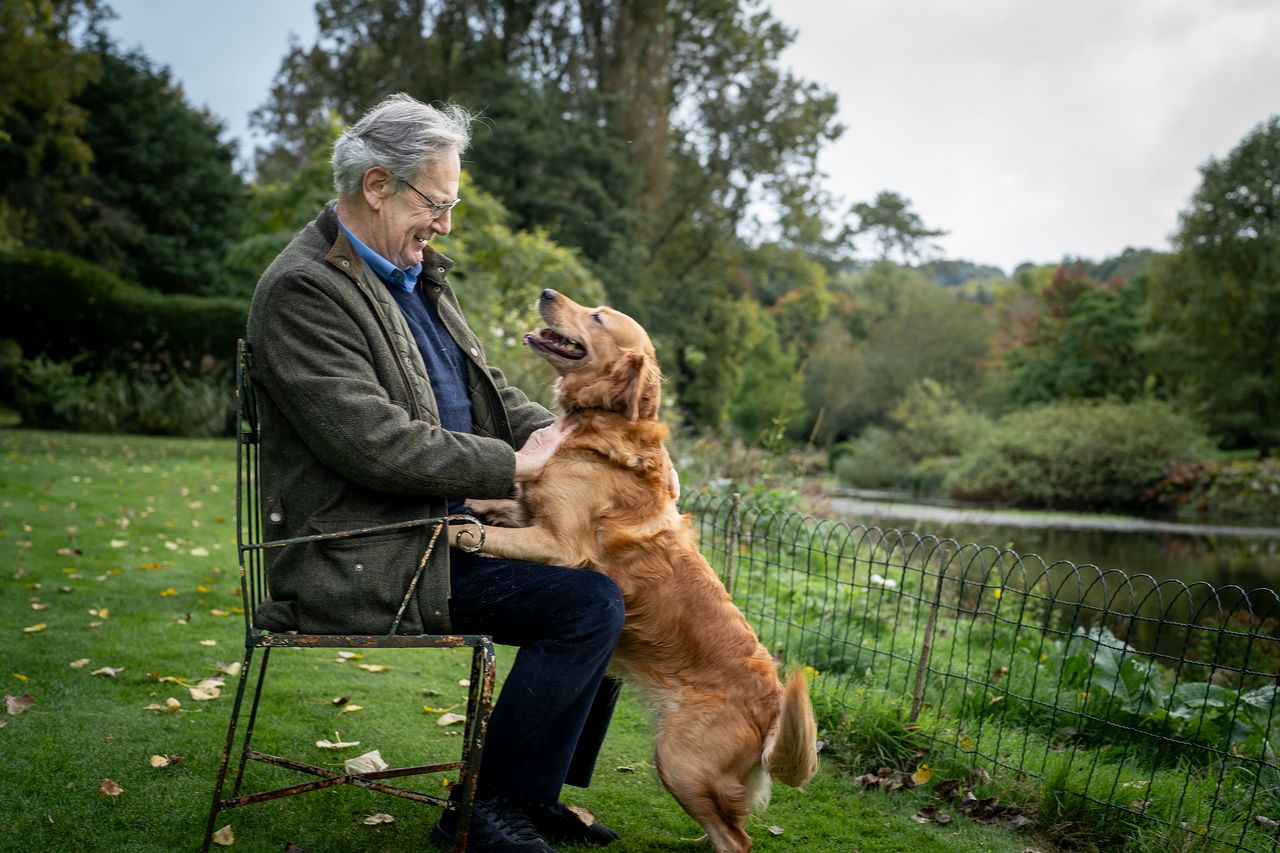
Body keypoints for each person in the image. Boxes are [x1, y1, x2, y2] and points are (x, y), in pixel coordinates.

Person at [246, 92, 627, 853]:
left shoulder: (416, 274)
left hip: (432, 534)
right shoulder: (304, 289)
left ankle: (528, 795)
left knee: (619, 572)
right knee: (586, 605)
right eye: (437, 202)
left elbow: (486, 391)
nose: (445, 222)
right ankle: (487, 810)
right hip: (362, 551)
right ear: (377, 184)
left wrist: (577, 436)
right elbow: (372, 442)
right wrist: (511, 464)